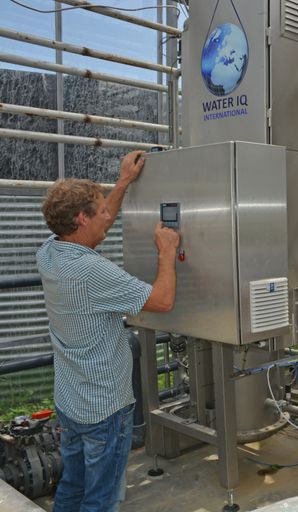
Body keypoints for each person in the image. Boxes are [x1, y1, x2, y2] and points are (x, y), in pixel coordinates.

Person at [36, 150, 180, 512]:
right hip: (104, 408)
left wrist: (123, 182)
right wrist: (166, 252)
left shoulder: (49, 250)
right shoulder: (91, 272)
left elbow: (98, 223)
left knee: (73, 484)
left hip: (71, 401)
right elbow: (162, 301)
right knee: (100, 499)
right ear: (81, 219)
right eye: (100, 211)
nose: (108, 216)